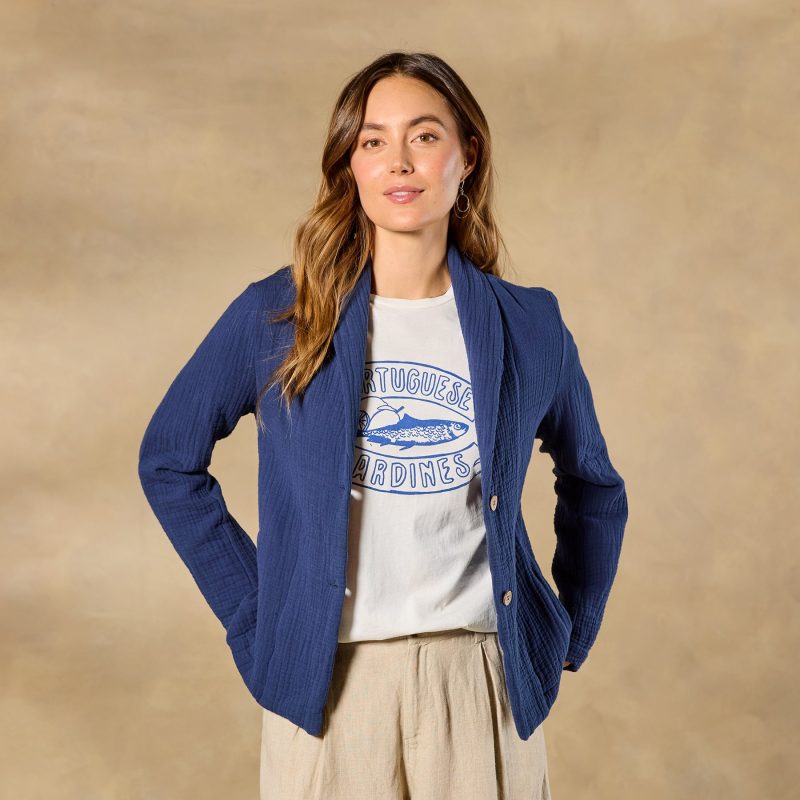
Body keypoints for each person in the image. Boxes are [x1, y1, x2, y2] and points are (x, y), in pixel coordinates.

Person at [138, 51, 629, 800]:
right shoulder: (280, 315)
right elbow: (168, 461)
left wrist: (569, 627)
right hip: (330, 690)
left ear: (467, 155)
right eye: (373, 141)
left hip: (481, 682)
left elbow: (594, 484)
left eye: (424, 136)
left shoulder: (530, 325)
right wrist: (257, 612)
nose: (399, 161)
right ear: (351, 165)